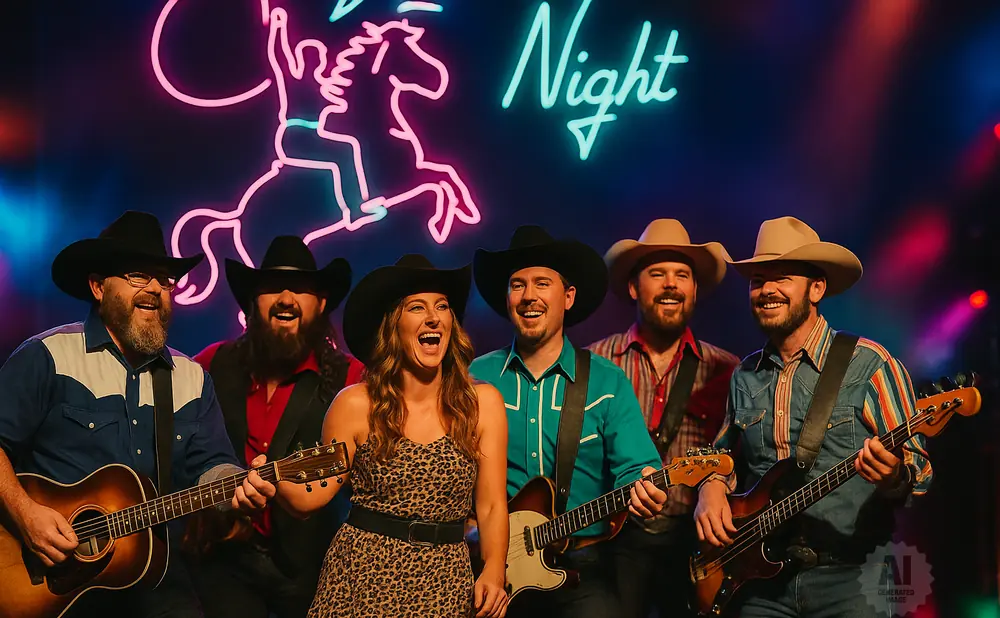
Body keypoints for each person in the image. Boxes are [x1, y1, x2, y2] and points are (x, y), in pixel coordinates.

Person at [0, 211, 275, 618]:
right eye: (136, 276)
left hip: (154, 581)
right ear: (97, 286)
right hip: (52, 585)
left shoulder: (191, 379)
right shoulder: (47, 356)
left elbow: (212, 466)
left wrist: (239, 487)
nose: (154, 289)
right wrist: (26, 515)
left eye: (164, 279)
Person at [694, 216, 933, 618]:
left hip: (852, 576)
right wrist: (710, 486)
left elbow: (920, 471)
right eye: (758, 280)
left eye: (782, 278)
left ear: (816, 288)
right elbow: (721, 458)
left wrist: (894, 475)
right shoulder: (745, 375)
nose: (767, 289)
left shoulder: (870, 363)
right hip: (761, 581)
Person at [275, 254, 510, 618]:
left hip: (445, 581)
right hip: (361, 578)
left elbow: (493, 505)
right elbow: (312, 497)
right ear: (393, 326)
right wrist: (269, 478)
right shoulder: (355, 404)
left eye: (442, 306)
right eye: (417, 307)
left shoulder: (483, 403)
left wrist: (495, 570)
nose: (433, 317)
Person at [469, 225, 668, 618]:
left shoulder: (607, 380)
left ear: (568, 297)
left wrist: (643, 487)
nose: (529, 296)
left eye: (542, 283)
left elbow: (635, 467)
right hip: (490, 565)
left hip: (582, 567)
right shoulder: (477, 376)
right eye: (517, 284)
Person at [182, 236, 365, 618]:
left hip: (312, 569)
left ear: (322, 304)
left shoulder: (351, 377)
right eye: (271, 288)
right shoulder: (212, 363)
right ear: (254, 303)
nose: (285, 298)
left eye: (300, 288)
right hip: (224, 563)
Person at [588, 219, 740, 618]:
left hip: (693, 542)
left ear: (694, 291)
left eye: (682, 275)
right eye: (657, 274)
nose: (671, 284)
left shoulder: (727, 369)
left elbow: (740, 457)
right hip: (614, 541)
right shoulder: (595, 364)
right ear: (634, 287)